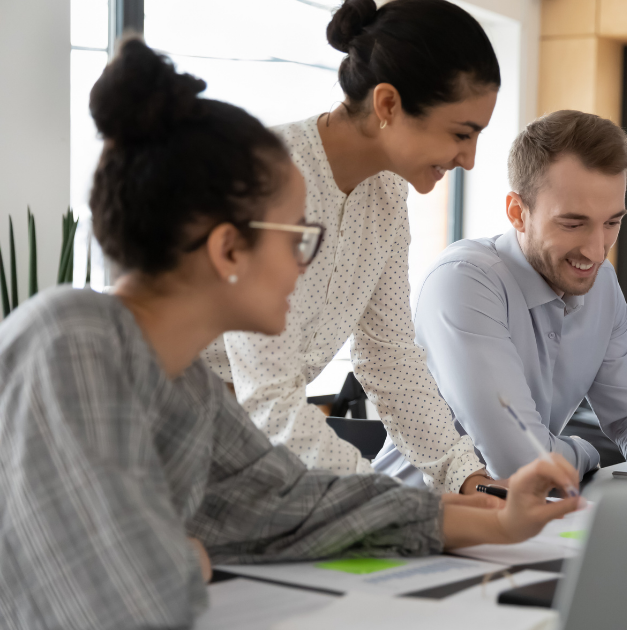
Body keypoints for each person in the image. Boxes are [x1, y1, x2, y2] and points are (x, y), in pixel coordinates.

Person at [0, 39, 580, 629]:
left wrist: (496, 520)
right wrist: (182, 556)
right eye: (300, 237)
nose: (309, 264)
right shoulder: (68, 342)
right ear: (229, 247)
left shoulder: (188, 391)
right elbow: (118, 597)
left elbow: (301, 504)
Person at [200, 0, 498, 494]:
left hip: (248, 453)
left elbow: (389, 356)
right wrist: (395, 501)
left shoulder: (387, 194)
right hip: (160, 441)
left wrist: (465, 477)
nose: (468, 158)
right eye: (460, 133)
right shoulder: (268, 173)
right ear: (387, 105)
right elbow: (266, 398)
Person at [376, 110, 627, 481]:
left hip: (521, 521)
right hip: (415, 520)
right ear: (517, 212)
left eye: (611, 223)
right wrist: (586, 452)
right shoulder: (464, 282)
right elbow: (523, 461)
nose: (597, 251)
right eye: (573, 224)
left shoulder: (601, 284)